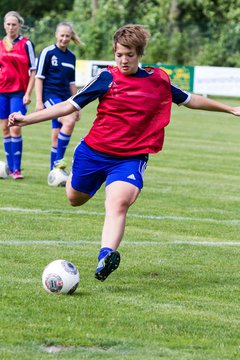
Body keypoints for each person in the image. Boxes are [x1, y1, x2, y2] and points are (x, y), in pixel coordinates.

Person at [8, 24, 240, 281]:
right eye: (119, 54)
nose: (123, 60)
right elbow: (67, 106)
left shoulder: (158, 80)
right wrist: (26, 120)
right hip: (94, 152)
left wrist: (229, 109)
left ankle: (105, 256)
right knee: (74, 198)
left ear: (139, 53)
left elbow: (190, 99)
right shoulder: (106, 78)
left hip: (130, 158)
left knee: (118, 203)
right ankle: (76, 176)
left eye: (129, 54)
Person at [35, 22, 81, 173]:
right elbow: (39, 77)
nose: (64, 38)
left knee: (56, 136)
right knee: (69, 121)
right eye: (62, 35)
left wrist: (77, 104)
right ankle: (59, 163)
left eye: (67, 36)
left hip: (66, 99)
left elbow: (72, 82)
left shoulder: (71, 57)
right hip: (50, 96)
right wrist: (39, 101)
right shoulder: (47, 52)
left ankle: (53, 172)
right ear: (56, 35)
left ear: (71, 37)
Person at [0, 11, 36, 179]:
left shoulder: (26, 44)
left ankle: (17, 170)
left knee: (15, 128)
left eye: (14, 24)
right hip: (1, 93)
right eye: (8, 24)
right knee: (5, 129)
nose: (11, 27)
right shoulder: (0, 44)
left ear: (19, 25)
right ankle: (10, 167)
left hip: (18, 93)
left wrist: (28, 93)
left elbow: (33, 70)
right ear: (4, 25)